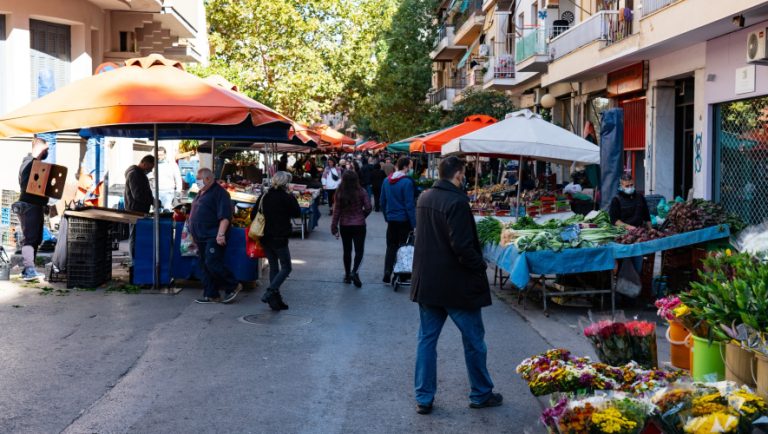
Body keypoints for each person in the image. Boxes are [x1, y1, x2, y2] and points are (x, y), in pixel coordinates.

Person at [410, 156, 502, 415]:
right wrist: (480, 265)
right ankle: (481, 393)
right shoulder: (457, 202)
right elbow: (462, 246)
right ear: (459, 175)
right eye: (464, 174)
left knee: (426, 340)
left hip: (428, 283)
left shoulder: (425, 197)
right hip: (456, 285)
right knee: (474, 341)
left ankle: (424, 397)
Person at [189, 168, 242, 304]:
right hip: (200, 236)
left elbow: (225, 216)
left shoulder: (220, 193)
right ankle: (211, 294)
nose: (197, 181)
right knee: (204, 265)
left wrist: (220, 234)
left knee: (212, 262)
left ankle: (233, 285)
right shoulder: (201, 192)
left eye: (199, 179)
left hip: (212, 235)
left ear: (208, 179)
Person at [254, 171, 301, 311]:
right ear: (286, 183)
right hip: (279, 237)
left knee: (274, 267)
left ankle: (275, 301)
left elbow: (253, 214)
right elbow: (297, 213)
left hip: (265, 236)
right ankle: (270, 291)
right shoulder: (287, 197)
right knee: (286, 267)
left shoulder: (264, 196)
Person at [14, 137, 50, 281]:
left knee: (35, 238)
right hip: (30, 205)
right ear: (40, 148)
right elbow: (27, 187)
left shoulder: (34, 164)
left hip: (34, 205)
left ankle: (28, 270)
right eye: (46, 149)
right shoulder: (30, 164)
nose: (48, 151)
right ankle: (28, 270)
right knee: (30, 238)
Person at [331, 171, 372, 288]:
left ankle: (347, 275)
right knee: (359, 251)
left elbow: (336, 211)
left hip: (345, 225)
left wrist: (334, 227)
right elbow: (369, 207)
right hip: (359, 225)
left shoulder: (339, 193)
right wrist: (361, 216)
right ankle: (355, 271)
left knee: (347, 251)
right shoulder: (362, 191)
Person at [380, 157, 416, 283]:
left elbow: (382, 202)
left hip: (391, 219)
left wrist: (387, 216)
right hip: (404, 220)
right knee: (403, 246)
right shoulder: (407, 182)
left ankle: (387, 271)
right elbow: (409, 205)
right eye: (410, 166)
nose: (411, 168)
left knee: (391, 246)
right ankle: (402, 274)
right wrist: (414, 224)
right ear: (405, 167)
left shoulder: (386, 181)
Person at [124, 154, 156, 270]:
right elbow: (138, 195)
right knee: (135, 237)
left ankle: (136, 261)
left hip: (139, 210)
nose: (150, 170)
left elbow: (144, 192)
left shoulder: (139, 174)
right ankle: (134, 262)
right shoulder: (135, 174)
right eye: (150, 168)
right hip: (135, 211)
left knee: (137, 236)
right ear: (144, 163)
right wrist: (152, 201)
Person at [150, 147, 182, 211]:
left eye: (160, 155)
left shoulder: (172, 164)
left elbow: (178, 178)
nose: (159, 157)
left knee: (167, 212)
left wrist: (178, 192)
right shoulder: (153, 165)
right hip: (156, 193)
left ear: (165, 155)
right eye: (157, 155)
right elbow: (150, 179)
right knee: (156, 212)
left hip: (169, 193)